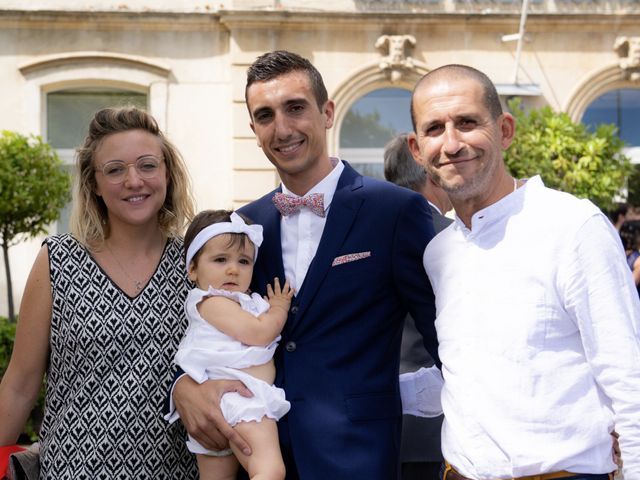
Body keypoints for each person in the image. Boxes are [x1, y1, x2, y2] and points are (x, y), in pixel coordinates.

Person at [168, 50, 439, 479]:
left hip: (358, 458)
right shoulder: (244, 226)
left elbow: (446, 336)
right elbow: (203, 322)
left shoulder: (395, 211)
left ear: (327, 112)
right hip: (260, 454)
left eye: (295, 108)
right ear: (254, 129)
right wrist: (183, 386)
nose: (283, 128)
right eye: (265, 115)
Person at [407, 64, 640, 480]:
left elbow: (629, 380)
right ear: (416, 149)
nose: (452, 143)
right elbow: (465, 374)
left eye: (467, 122)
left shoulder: (572, 226)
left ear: (505, 130)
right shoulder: (438, 253)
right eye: (435, 129)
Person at [0, 106, 199, 478]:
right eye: (115, 169)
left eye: (147, 165)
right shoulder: (57, 260)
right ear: (94, 182)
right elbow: (19, 386)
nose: (134, 180)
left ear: (167, 174)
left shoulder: (198, 264)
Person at [166, 209, 293, 480]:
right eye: (220, 259)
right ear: (192, 269)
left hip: (225, 404)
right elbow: (259, 334)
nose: (233, 269)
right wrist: (279, 309)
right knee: (270, 470)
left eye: (244, 261)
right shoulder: (212, 302)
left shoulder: (239, 302)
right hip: (239, 402)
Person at [384, 133, 451, 480]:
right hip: (431, 423)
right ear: (430, 173)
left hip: (372, 420)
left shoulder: (368, 230)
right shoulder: (449, 236)